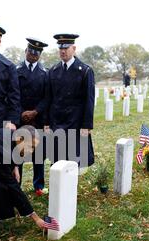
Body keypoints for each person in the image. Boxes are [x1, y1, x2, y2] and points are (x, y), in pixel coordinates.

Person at [44, 34, 95, 168]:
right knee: (57, 159)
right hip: (57, 122)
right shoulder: (53, 71)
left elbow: (89, 100)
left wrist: (86, 125)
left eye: (66, 48)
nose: (63, 51)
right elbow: (49, 98)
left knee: (74, 160)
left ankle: (70, 188)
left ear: (74, 48)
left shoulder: (84, 71)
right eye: (60, 48)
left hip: (75, 122)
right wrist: (47, 122)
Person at [16, 38, 49, 195]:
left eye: (37, 52)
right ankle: (17, 184)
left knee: (38, 154)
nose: (33, 55)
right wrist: (22, 113)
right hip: (20, 117)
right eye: (30, 51)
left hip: (38, 118)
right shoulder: (15, 71)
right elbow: (13, 95)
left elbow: (47, 97)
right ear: (25, 51)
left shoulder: (45, 73)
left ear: (40, 55)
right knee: (19, 152)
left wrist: (35, 112)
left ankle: (39, 186)